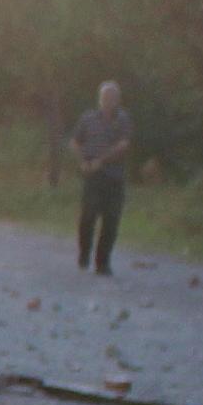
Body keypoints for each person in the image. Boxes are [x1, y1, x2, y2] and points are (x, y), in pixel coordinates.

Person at [69, 80, 132, 274]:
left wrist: (100, 161)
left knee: (111, 221)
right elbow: (74, 142)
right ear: (99, 98)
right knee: (88, 217)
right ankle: (84, 254)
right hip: (92, 177)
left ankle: (102, 263)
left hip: (114, 177)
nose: (108, 101)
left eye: (112, 97)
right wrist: (82, 162)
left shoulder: (123, 119)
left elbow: (123, 146)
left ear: (117, 100)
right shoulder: (88, 118)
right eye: (105, 97)